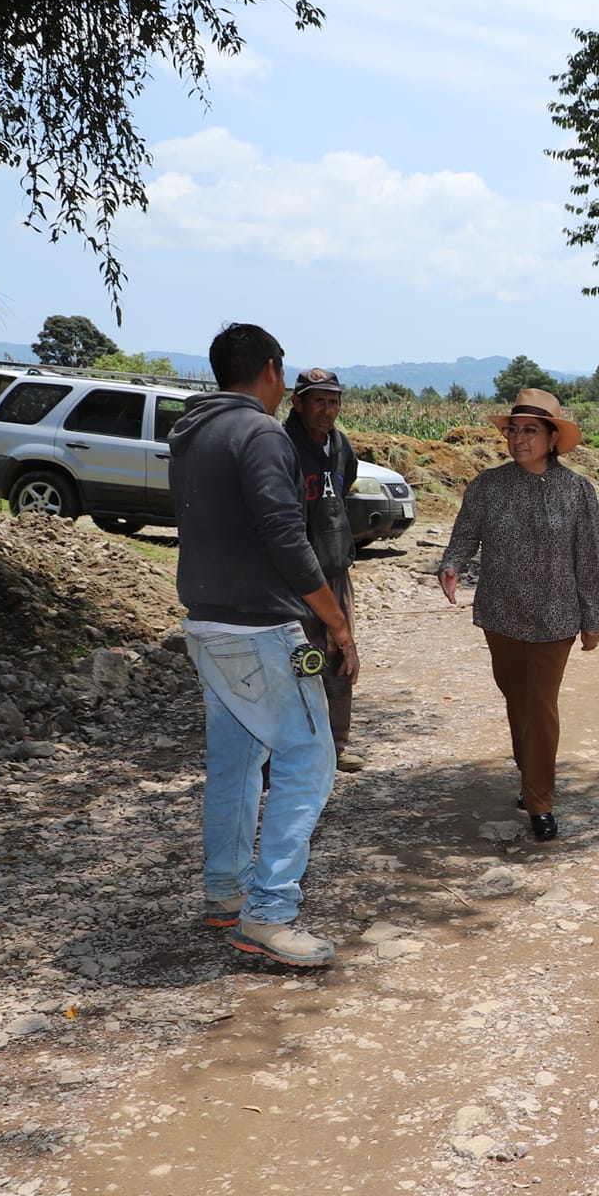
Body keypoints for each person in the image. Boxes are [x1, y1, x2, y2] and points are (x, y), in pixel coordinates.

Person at [169, 323, 358, 968]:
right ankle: (269, 913)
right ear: (273, 372)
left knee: (236, 758)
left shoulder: (192, 434)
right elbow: (286, 537)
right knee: (309, 761)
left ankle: (224, 890)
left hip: (208, 626)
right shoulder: (259, 434)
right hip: (259, 630)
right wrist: (335, 621)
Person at [438, 387, 599, 842]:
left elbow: (591, 559)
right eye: (514, 431)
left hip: (556, 618)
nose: (519, 439)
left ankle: (540, 800)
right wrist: (452, 565)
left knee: (541, 703)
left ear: (553, 438)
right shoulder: (488, 486)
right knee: (517, 700)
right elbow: (464, 535)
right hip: (501, 614)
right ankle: (530, 775)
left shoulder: (577, 491)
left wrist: (592, 617)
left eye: (530, 431)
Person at [285, 366, 366, 772]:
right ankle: (293, 750)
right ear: (297, 402)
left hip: (335, 568)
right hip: (296, 574)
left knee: (340, 653)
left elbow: (344, 482)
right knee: (299, 659)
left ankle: (337, 745)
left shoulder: (339, 446)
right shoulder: (283, 446)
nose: (327, 410)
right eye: (318, 401)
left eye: (333, 401)